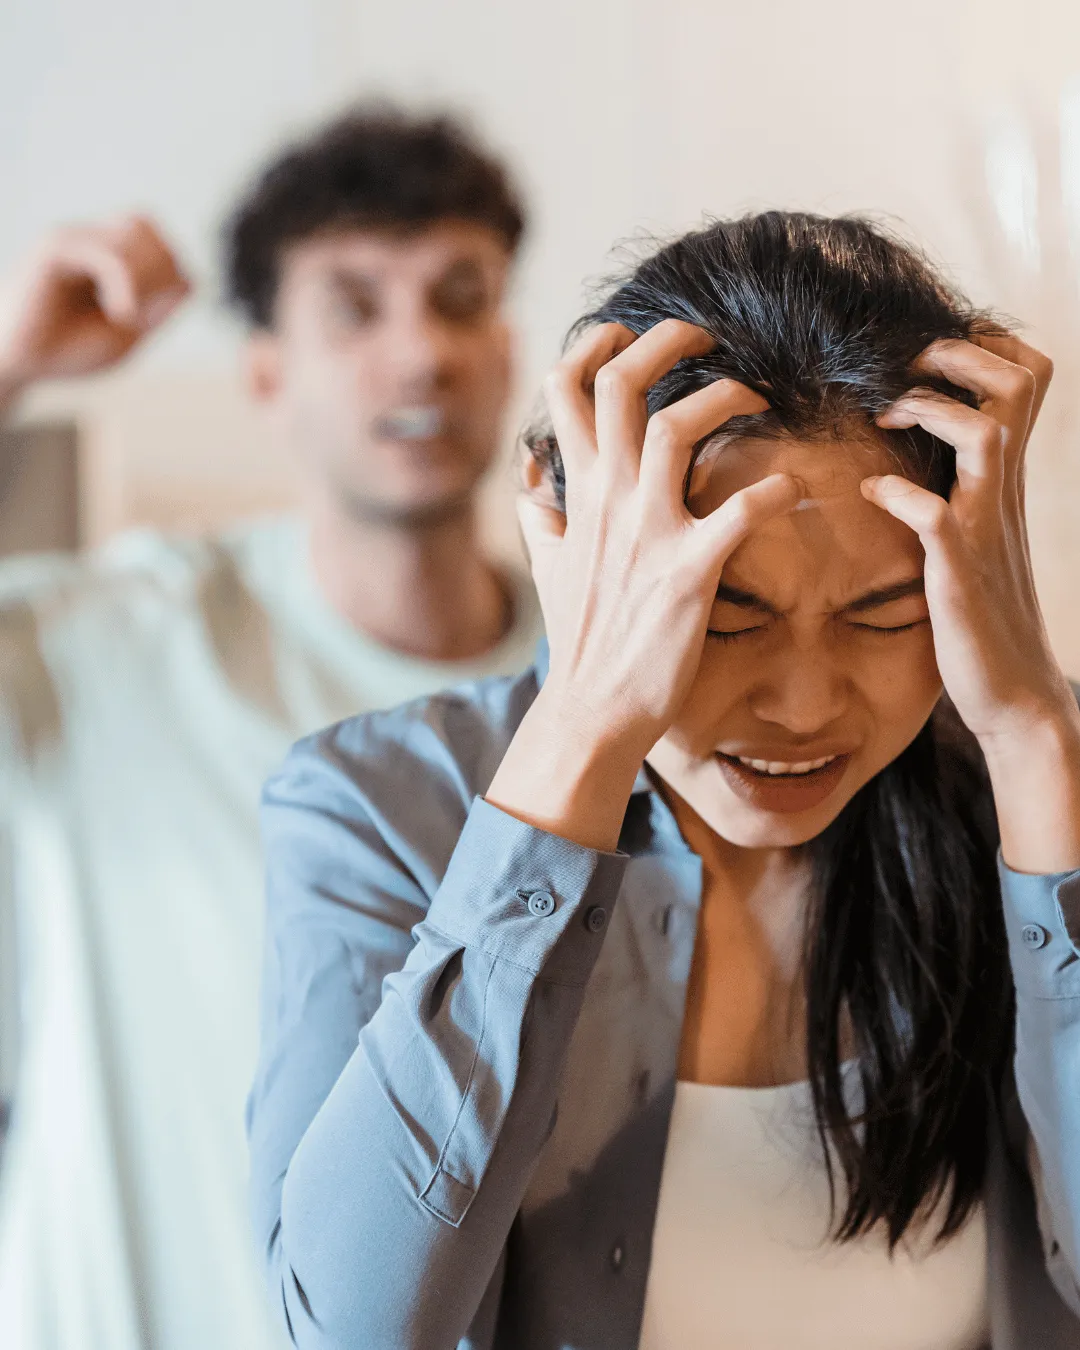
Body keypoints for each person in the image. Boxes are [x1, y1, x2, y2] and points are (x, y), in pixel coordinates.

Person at [249, 211, 1080, 1349]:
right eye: (724, 615)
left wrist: (1035, 739)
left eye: (883, 615)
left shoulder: (1033, 797)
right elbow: (352, 1328)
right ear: (575, 544)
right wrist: (587, 719)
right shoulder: (375, 808)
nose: (802, 704)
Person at [0, 108, 542, 1350]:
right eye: (354, 308)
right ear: (263, 374)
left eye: (459, 299)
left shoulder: (593, 701)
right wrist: (8, 359)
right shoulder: (120, 641)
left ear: (507, 352)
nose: (421, 354)